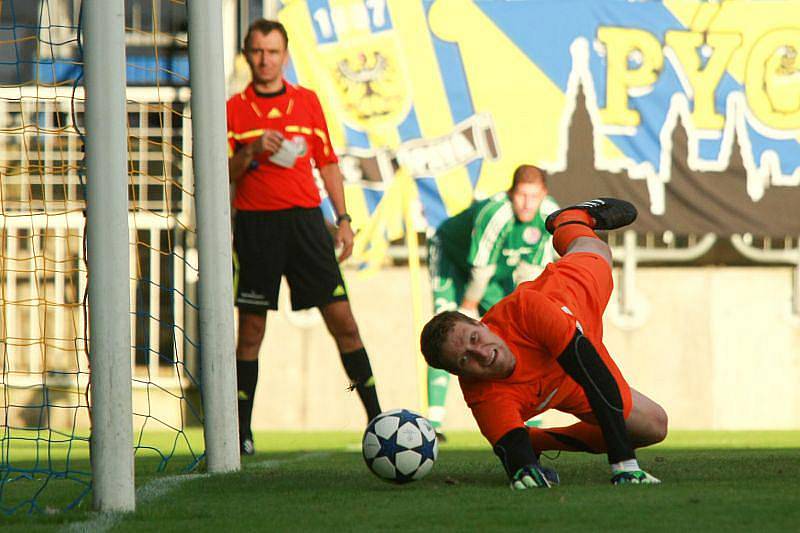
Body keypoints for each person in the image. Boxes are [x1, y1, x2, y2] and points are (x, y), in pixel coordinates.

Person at [420, 198, 668, 487]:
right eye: (465, 359)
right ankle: (538, 439)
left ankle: (569, 218)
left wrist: (623, 464)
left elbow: (591, 372)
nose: (480, 353)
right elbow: (510, 447)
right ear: (460, 374)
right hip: (566, 382)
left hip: (573, 300)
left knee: (597, 249)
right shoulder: (482, 394)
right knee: (654, 426)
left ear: (482, 323)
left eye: (474, 338)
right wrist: (523, 466)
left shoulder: (527, 308)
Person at [227, 19, 382, 455]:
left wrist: (344, 217)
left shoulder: (308, 102)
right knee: (252, 330)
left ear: (285, 56)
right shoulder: (233, 110)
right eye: (257, 51)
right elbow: (225, 174)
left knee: (344, 322)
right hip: (257, 226)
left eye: (273, 51)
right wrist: (252, 151)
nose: (265, 59)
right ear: (247, 55)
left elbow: (327, 163)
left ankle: (378, 420)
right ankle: (241, 432)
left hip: (307, 224)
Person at [426, 165, 558, 441]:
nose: (527, 204)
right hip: (454, 262)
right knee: (446, 333)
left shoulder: (549, 217)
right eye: (522, 195)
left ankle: (533, 418)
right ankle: (433, 423)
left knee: (521, 332)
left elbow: (528, 277)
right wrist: (468, 307)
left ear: (544, 194)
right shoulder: (496, 213)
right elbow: (480, 270)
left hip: (494, 276)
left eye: (534, 196)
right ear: (511, 193)